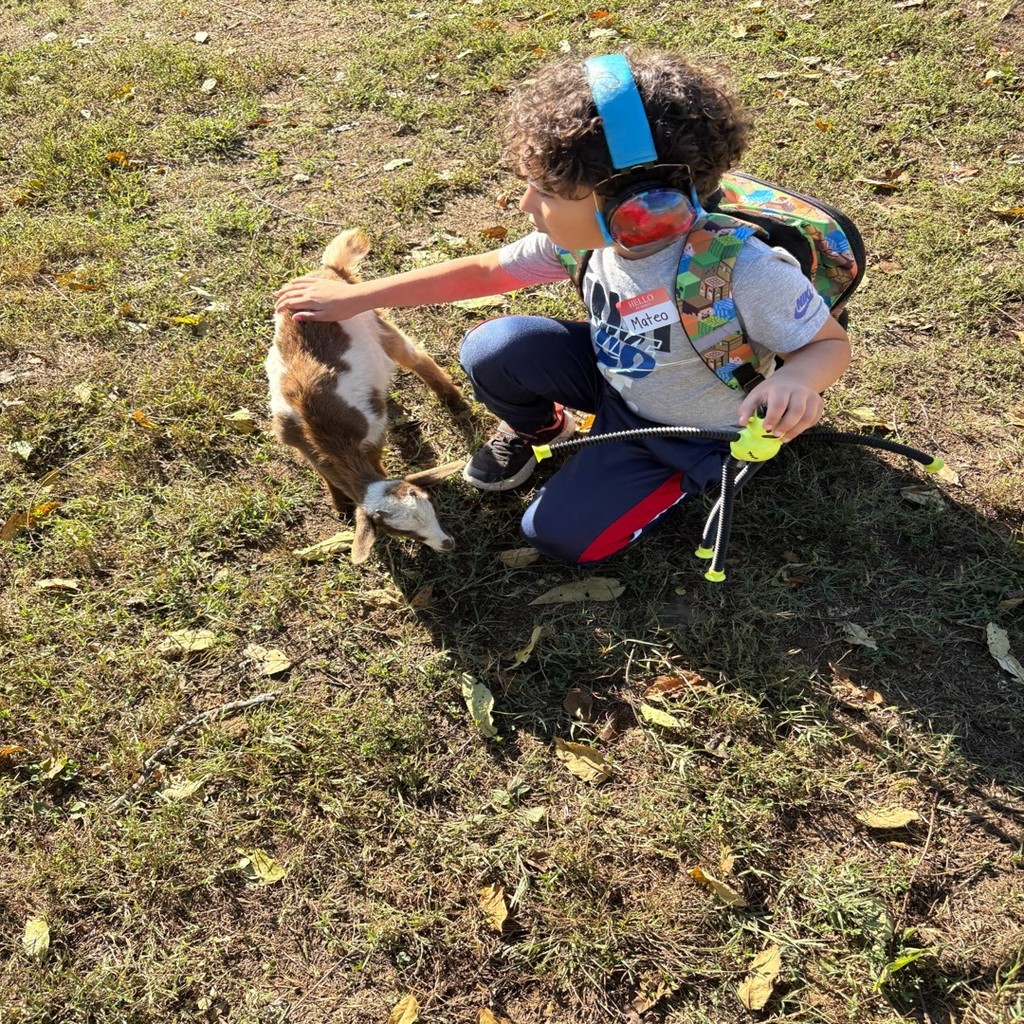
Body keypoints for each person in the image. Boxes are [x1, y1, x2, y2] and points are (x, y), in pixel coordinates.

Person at [274, 50, 851, 564]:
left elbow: (826, 344)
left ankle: (679, 477)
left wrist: (799, 382)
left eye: (545, 193)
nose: (525, 202)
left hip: (691, 427)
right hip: (614, 378)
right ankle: (550, 426)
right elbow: (486, 271)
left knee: (558, 537)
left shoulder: (742, 269)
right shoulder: (584, 240)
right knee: (493, 348)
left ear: (638, 204)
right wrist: (358, 296)